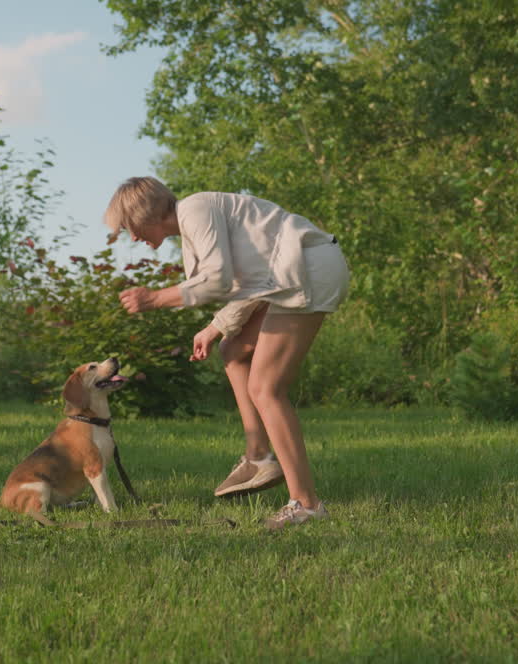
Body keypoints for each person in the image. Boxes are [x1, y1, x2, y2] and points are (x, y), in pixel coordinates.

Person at [104, 176, 350, 529]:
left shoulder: (194, 209)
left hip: (309, 269)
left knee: (266, 388)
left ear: (146, 213)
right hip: (292, 274)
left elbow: (218, 279)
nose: (132, 237)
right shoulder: (194, 225)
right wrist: (217, 326)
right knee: (233, 349)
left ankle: (307, 505)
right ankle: (259, 456)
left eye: (130, 227)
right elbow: (255, 278)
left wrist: (156, 298)